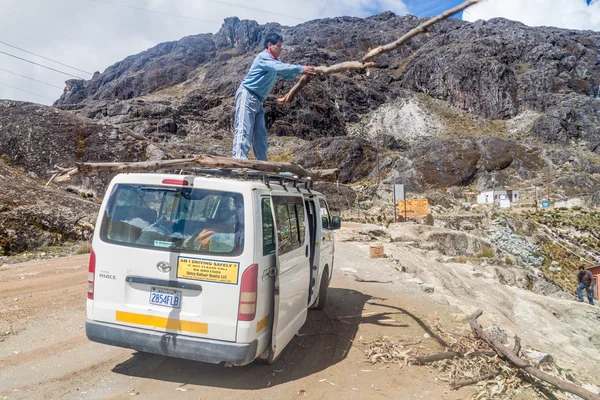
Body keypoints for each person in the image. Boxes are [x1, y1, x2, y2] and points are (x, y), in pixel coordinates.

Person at [232, 33, 317, 161]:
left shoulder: (274, 62)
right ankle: (238, 161)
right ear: (269, 45)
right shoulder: (263, 57)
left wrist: (303, 75)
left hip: (258, 100)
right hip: (247, 94)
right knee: (244, 129)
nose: (280, 49)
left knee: (260, 134)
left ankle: (262, 164)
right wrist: (301, 69)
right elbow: (279, 67)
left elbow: (284, 73)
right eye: (278, 46)